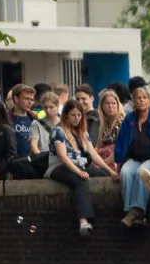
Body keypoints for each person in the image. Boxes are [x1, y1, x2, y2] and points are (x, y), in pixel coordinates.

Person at [47, 99, 112, 237]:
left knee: (103, 176)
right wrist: (79, 172)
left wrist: (110, 171)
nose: (76, 118)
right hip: (59, 167)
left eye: (79, 115)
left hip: (81, 165)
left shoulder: (83, 132)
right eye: (73, 115)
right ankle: (83, 222)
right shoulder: (58, 131)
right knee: (79, 181)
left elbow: (93, 154)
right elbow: (63, 157)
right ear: (65, 115)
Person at [114, 83, 150, 228]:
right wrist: (118, 163)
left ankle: (137, 210)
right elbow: (121, 142)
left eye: (144, 97)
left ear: (149, 99)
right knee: (126, 172)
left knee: (142, 172)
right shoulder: (129, 120)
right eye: (138, 98)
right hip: (134, 157)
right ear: (134, 101)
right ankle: (129, 210)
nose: (142, 100)